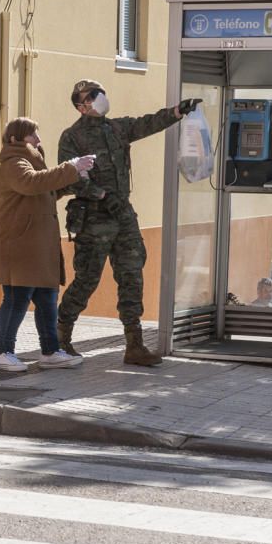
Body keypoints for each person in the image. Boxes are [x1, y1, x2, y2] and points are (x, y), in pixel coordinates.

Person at [57, 79, 201, 366]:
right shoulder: (71, 137)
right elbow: (70, 176)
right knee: (87, 279)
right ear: (81, 105)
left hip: (123, 217)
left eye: (101, 92)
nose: (100, 98)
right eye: (93, 95)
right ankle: (60, 339)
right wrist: (100, 194)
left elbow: (147, 124)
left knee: (132, 276)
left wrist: (177, 111)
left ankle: (134, 345)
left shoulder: (116, 128)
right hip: (94, 219)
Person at [0, 117, 96, 371]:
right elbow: (31, 183)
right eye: (32, 136)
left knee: (48, 299)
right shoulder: (14, 163)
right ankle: (3, 352)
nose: (38, 140)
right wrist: (69, 167)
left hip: (37, 247)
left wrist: (72, 177)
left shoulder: (30, 163)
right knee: (16, 299)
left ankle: (50, 351)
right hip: (20, 245)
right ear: (17, 139)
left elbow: (44, 190)